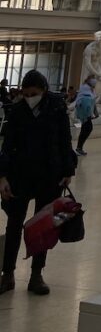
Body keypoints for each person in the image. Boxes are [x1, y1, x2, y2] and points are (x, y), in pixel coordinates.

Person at [0, 70, 77, 295]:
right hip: (19, 176)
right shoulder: (17, 111)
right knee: (14, 224)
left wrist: (67, 169)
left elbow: (64, 140)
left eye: (33, 93)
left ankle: (36, 274)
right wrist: (2, 176)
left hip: (48, 175)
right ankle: (8, 274)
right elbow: (7, 145)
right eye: (25, 94)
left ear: (43, 91)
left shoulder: (56, 108)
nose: (29, 97)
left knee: (43, 226)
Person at [73, 76, 97, 156]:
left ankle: (79, 148)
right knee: (87, 128)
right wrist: (90, 113)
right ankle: (79, 148)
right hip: (85, 112)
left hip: (85, 112)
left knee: (86, 128)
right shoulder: (86, 88)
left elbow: (91, 101)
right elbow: (86, 101)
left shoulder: (88, 88)